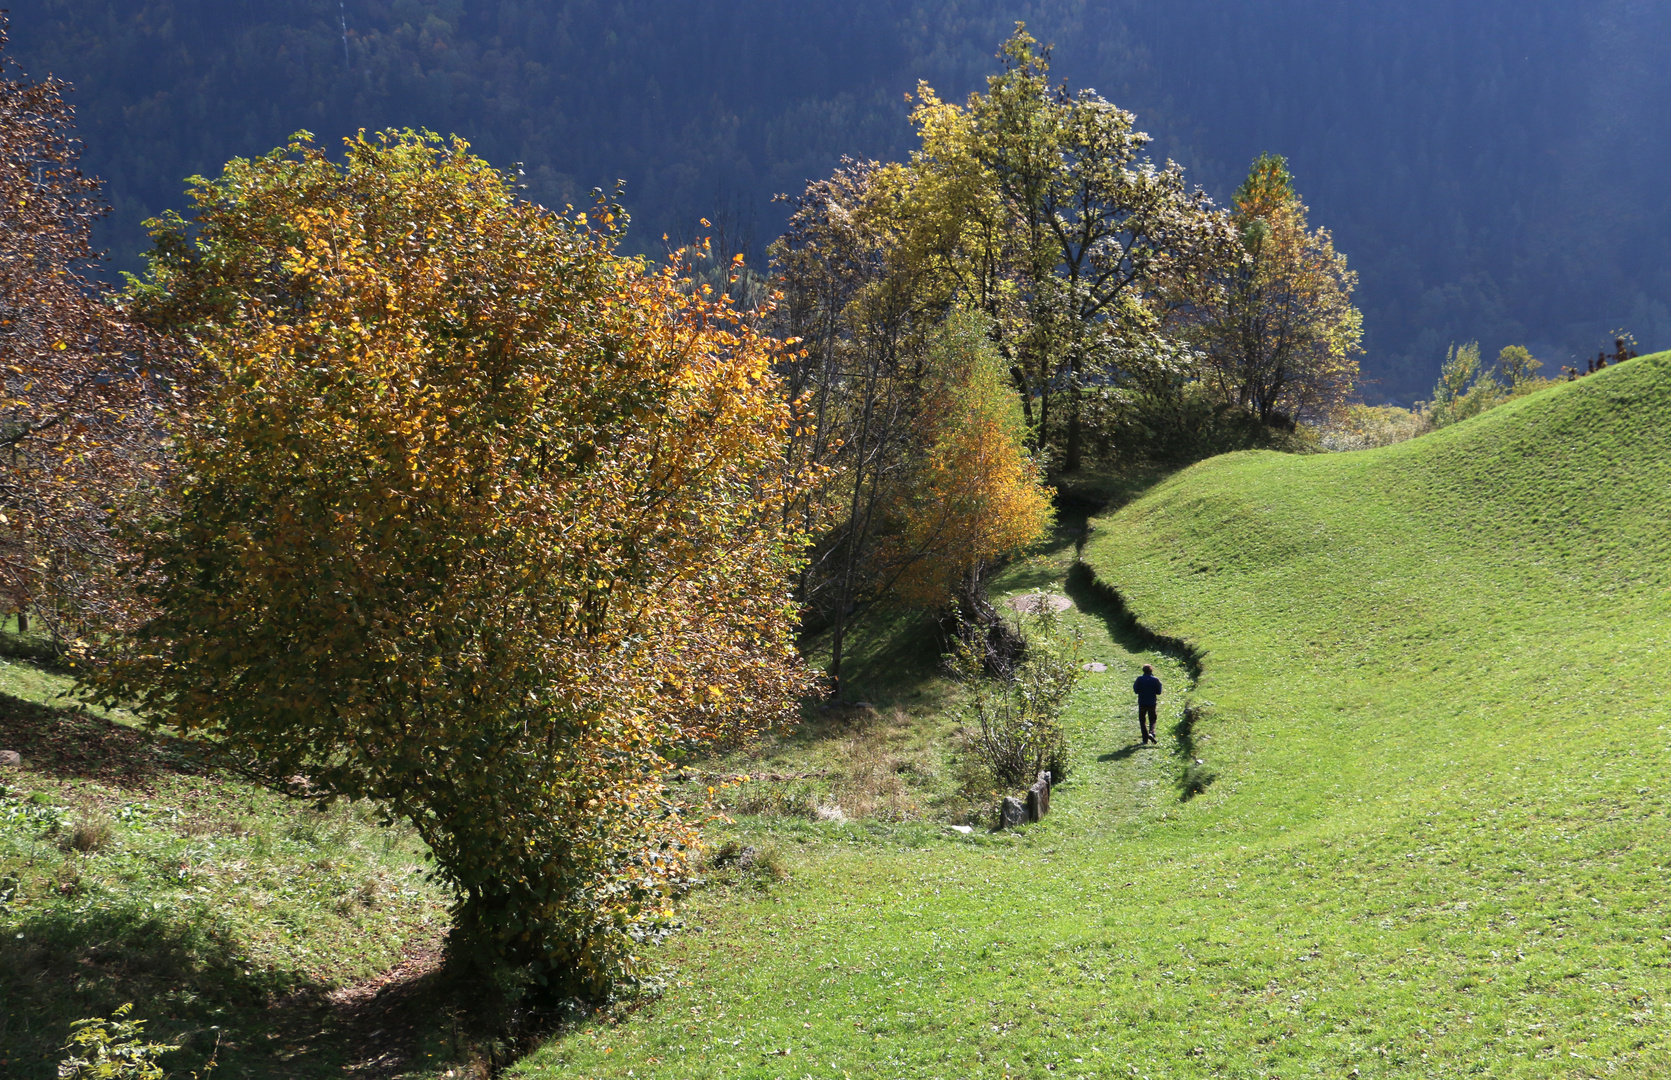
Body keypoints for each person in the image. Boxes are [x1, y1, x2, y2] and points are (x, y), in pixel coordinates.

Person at [1133, 664, 1162, 745]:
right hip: (1152, 703)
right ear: (1151, 670)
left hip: (1142, 703)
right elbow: (1159, 692)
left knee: (1142, 721)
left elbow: (1136, 691)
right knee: (1153, 719)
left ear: (1143, 671)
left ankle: (1145, 740)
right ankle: (1151, 733)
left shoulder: (1139, 679)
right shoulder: (1155, 680)